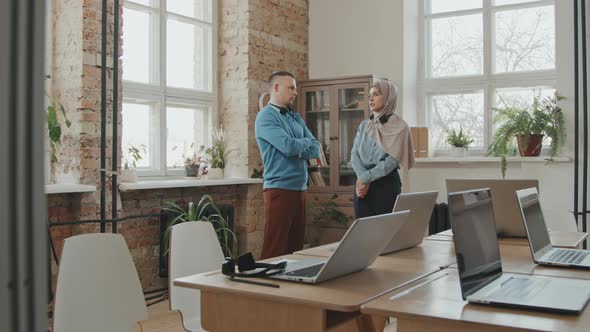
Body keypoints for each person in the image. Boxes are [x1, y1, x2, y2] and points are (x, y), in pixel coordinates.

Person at [255, 71, 320, 259]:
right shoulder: (265, 117)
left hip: (300, 188)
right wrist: (302, 145)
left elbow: (316, 148)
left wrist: (299, 146)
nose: (295, 92)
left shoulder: (295, 117)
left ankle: (291, 287)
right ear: (276, 88)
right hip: (279, 189)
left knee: (295, 250)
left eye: (296, 88)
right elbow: (287, 146)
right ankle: (267, 288)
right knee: (275, 249)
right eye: (291, 88)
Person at [351, 78, 415, 219]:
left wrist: (366, 178)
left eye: (376, 94)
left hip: (385, 185)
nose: (371, 99)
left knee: (385, 232)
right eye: (369, 95)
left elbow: (392, 160)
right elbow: (354, 154)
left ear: (388, 97)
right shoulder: (364, 125)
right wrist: (362, 178)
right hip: (361, 184)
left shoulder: (401, 127)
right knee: (363, 231)